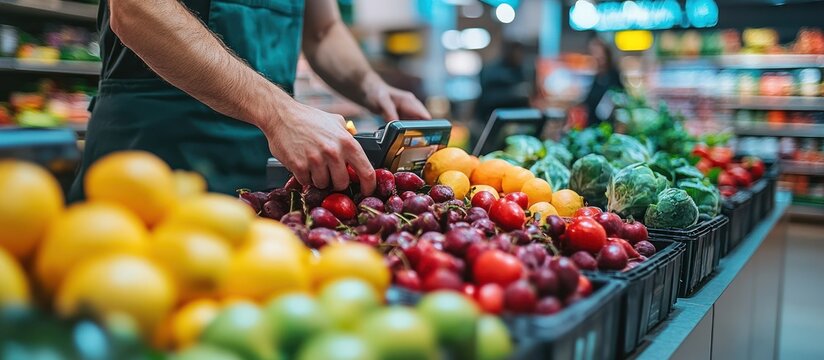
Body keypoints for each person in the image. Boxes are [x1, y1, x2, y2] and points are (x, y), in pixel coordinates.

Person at [69, 0, 430, 200]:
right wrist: (278, 112)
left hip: (267, 160)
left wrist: (373, 88)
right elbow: (136, 9)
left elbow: (322, 31)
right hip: (155, 150)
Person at [581, 35, 624, 127]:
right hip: (593, 126)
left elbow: (622, 99)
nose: (596, 56)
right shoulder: (596, 76)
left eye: (599, 54)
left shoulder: (613, 75)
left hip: (607, 127)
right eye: (593, 53)